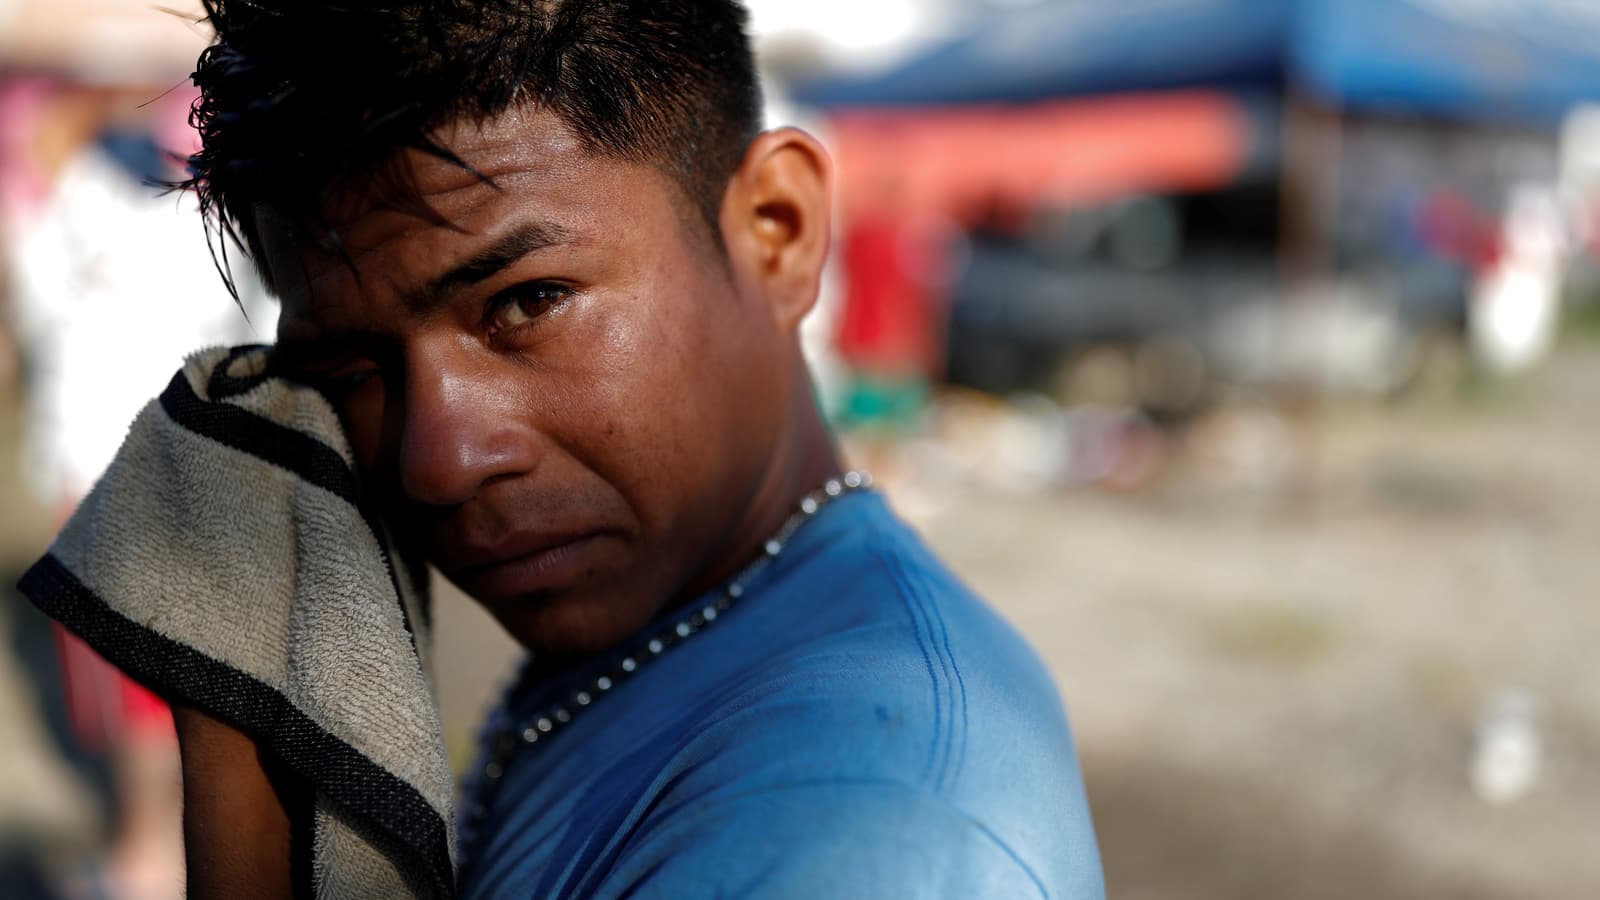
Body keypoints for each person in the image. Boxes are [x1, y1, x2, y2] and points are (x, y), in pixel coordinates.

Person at [170, 1, 1104, 897]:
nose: (440, 461)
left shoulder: (866, 810)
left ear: (775, 233)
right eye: (349, 365)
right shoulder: (662, 632)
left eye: (529, 301)